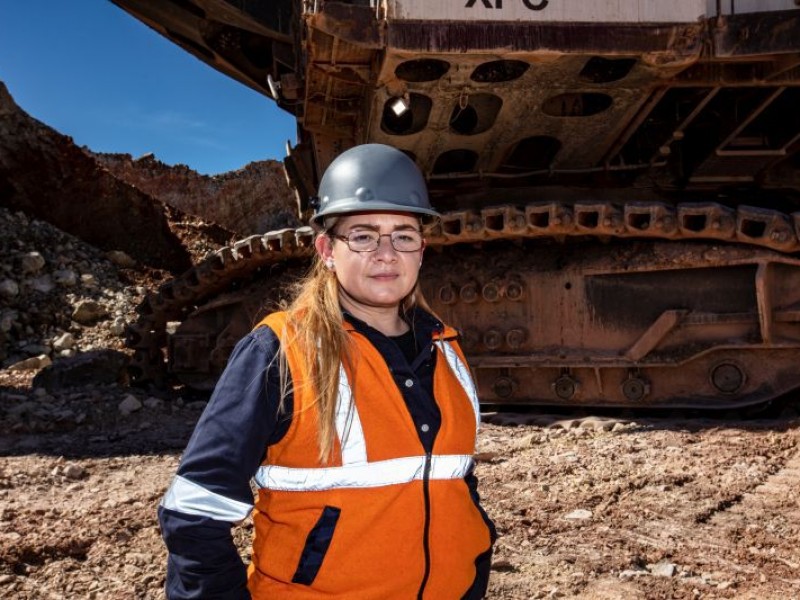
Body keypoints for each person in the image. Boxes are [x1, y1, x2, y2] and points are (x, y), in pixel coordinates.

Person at [158, 143, 496, 599]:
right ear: (327, 249)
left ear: (422, 248)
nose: (386, 253)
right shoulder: (281, 351)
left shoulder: (446, 349)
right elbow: (193, 511)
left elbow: (452, 483)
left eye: (403, 235)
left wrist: (473, 566)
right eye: (363, 235)